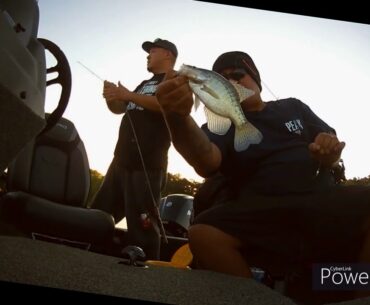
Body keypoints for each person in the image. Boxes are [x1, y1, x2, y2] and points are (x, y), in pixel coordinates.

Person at [155, 51, 370, 299]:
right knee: (202, 234)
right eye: (223, 79)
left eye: (238, 75)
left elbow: (331, 141)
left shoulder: (293, 106)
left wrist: (329, 151)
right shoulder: (221, 124)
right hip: (259, 210)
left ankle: (357, 295)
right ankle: (259, 298)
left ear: (256, 79)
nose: (232, 82)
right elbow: (205, 160)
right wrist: (177, 117)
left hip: (320, 198)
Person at [89, 38, 178, 260]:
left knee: (143, 227)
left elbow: (164, 106)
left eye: (153, 51)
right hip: (120, 161)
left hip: (147, 165)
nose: (148, 55)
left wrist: (127, 95)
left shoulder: (175, 79)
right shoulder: (144, 84)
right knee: (98, 216)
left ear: (168, 55)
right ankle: (89, 259)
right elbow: (121, 109)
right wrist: (111, 98)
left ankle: (146, 276)